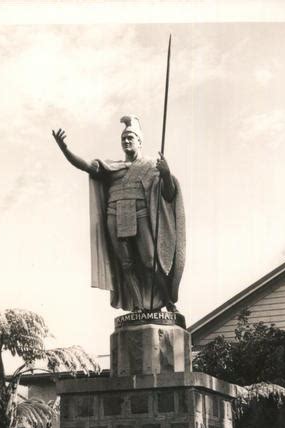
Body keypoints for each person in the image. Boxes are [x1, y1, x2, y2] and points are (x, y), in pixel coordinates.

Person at [52, 115, 185, 312]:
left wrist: (165, 173)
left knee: (151, 262)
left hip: (140, 214)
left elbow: (169, 195)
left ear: (140, 141)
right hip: (115, 215)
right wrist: (65, 149)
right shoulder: (111, 167)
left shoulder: (150, 167)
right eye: (123, 138)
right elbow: (85, 166)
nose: (126, 140)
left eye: (130, 137)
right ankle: (138, 306)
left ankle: (168, 303)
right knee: (126, 264)